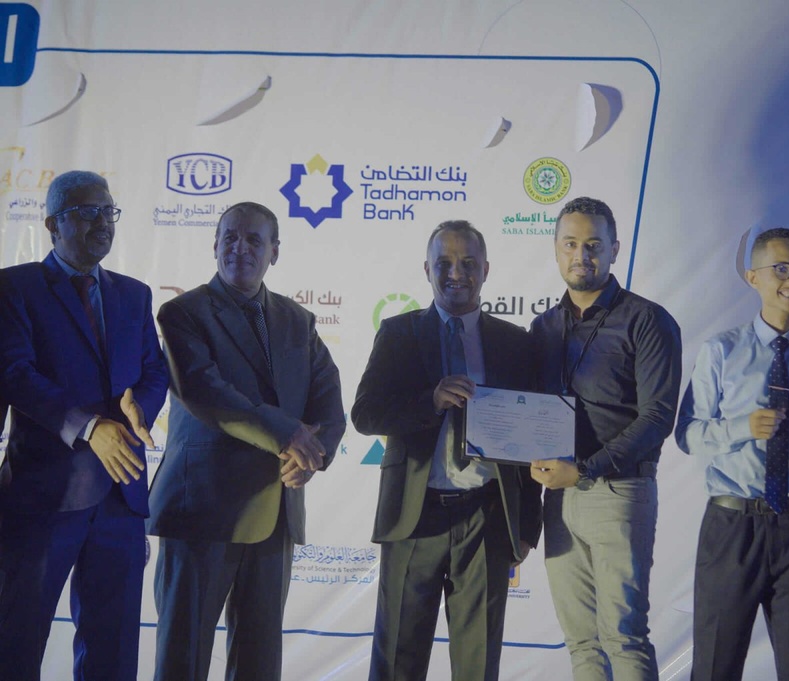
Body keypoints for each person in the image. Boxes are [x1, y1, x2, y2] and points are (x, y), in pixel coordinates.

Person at [147, 201, 346, 681]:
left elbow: (328, 402)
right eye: (230, 237)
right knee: (182, 658)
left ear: (274, 251)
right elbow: (205, 391)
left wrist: (312, 456)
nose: (241, 248)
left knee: (259, 662)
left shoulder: (299, 320)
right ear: (214, 245)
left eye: (254, 239)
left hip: (276, 510)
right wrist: (287, 435)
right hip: (201, 511)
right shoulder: (183, 313)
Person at [351, 219, 542, 681]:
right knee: (396, 661)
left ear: (486, 270)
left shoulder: (515, 342)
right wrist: (429, 401)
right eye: (445, 263)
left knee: (478, 664)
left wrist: (527, 525)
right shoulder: (398, 333)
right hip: (414, 516)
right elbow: (365, 415)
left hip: (487, 516)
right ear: (427, 269)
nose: (456, 273)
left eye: (468, 263)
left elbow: (532, 438)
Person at [0, 170, 168, 681]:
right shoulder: (14, 286)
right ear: (53, 223)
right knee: (15, 643)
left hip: (121, 496)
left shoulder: (134, 295)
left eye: (108, 211)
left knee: (112, 654)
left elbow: (154, 371)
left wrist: (140, 408)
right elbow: (15, 373)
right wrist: (90, 427)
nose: (103, 222)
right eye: (87, 211)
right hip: (42, 498)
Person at [676, 227, 789, 681]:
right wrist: (742, 428)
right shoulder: (721, 350)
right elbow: (687, 434)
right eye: (782, 269)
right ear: (753, 277)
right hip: (732, 526)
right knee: (715, 666)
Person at [530, 196, 682, 680]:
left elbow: (658, 417)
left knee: (623, 636)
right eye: (570, 244)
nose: (582, 255)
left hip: (619, 491)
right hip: (558, 497)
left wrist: (585, 469)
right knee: (581, 643)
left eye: (593, 245)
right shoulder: (543, 327)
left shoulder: (647, 320)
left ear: (615, 249)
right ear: (556, 249)